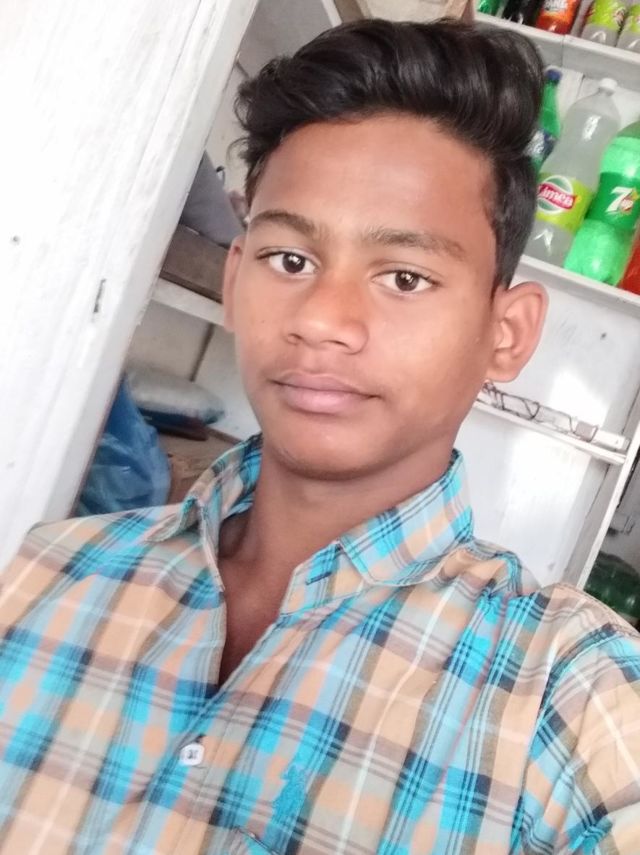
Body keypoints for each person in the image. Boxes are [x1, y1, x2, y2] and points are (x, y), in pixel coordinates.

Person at [0, 18, 638, 855]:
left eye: (404, 276)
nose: (322, 319)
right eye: (291, 260)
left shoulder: (575, 693)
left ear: (506, 333)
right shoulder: (50, 572)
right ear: (236, 280)